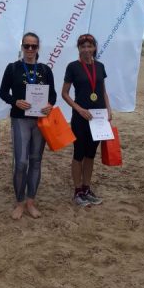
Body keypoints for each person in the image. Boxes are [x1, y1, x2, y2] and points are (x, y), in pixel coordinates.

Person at [0, 32, 57, 220]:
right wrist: (15, 101)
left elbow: (53, 95)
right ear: (22, 47)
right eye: (27, 46)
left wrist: (49, 105)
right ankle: (19, 202)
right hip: (20, 119)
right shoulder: (13, 68)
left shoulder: (45, 70)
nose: (30, 49)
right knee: (21, 162)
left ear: (38, 47)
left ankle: (30, 201)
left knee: (36, 161)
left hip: (39, 120)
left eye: (34, 46)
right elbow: (2, 93)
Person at [61, 33, 112, 207]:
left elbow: (102, 91)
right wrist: (79, 109)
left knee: (90, 154)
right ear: (78, 48)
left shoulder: (100, 66)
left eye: (89, 46)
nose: (86, 49)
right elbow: (64, 93)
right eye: (83, 46)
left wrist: (109, 110)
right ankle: (77, 191)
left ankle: (86, 189)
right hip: (81, 118)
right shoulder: (73, 67)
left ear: (94, 47)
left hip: (98, 118)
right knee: (79, 154)